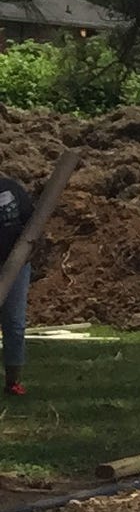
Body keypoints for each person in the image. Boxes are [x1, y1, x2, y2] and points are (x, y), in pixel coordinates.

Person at [0, 163, 35, 398]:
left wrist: (25, 256)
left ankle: (13, 382)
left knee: (14, 323)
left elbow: (33, 226)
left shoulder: (12, 190)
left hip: (15, 265)